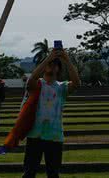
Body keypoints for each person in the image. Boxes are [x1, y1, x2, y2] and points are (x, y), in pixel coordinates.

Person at [22, 48, 81, 178]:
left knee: (53, 174)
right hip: (34, 134)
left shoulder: (62, 87)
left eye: (55, 64)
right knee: (29, 173)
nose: (52, 65)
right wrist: (49, 58)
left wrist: (66, 59)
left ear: (58, 69)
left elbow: (76, 83)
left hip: (54, 136)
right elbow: (31, 79)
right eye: (50, 63)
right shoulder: (37, 84)